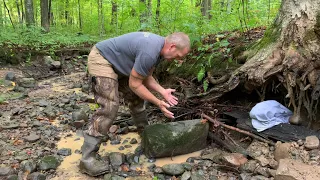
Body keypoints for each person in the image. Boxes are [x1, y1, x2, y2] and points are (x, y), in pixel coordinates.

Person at [79, 32, 190, 176]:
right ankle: (87, 158)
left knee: (136, 99)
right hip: (102, 58)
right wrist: (158, 102)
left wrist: (163, 91)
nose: (179, 60)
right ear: (172, 47)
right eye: (179, 56)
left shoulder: (158, 51)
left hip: (120, 64)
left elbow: (146, 77)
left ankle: (145, 136)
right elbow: (135, 84)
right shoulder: (150, 51)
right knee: (110, 106)